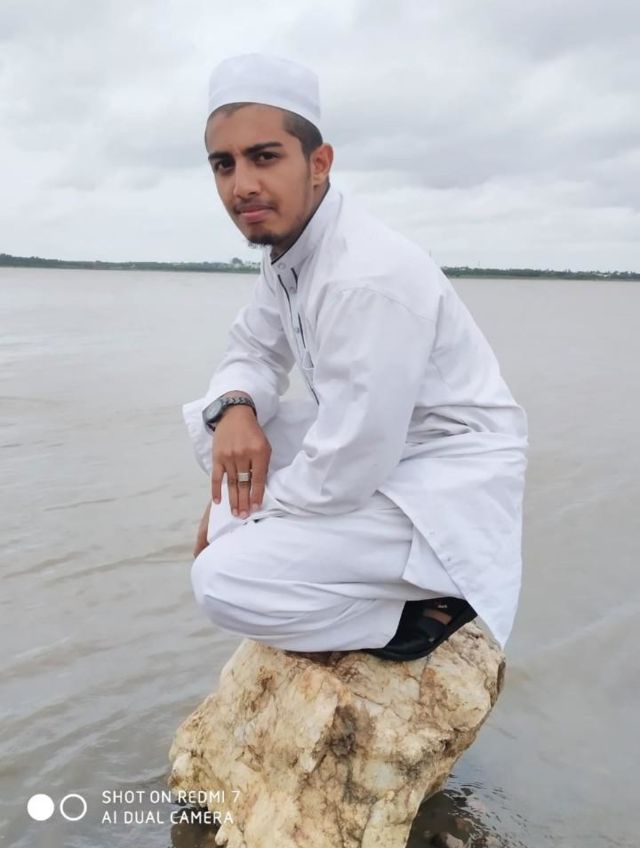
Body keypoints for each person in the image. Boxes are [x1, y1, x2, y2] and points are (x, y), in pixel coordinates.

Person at [183, 53, 529, 660]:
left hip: (441, 482)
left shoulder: (364, 275)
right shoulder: (292, 252)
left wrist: (245, 520)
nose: (242, 185)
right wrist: (235, 407)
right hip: (380, 454)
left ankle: (417, 614)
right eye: (224, 164)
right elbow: (252, 348)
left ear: (318, 163)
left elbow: (349, 463)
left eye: (264, 157)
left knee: (220, 580)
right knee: (225, 447)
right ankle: (342, 576)